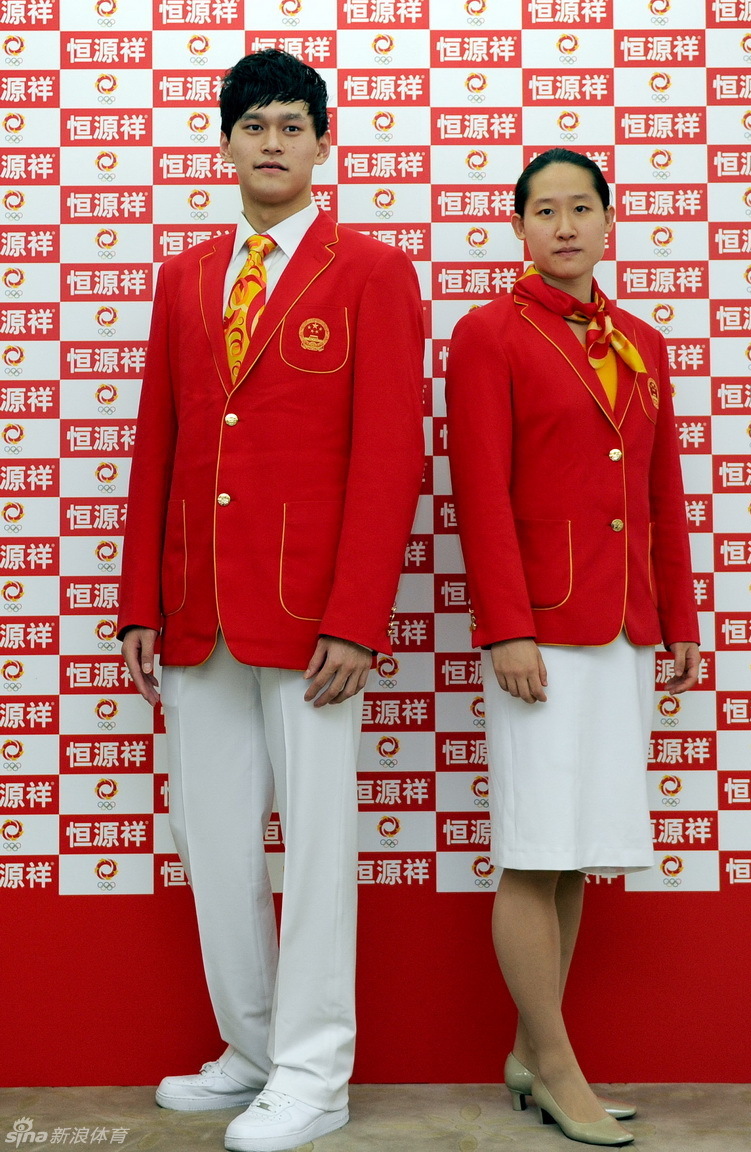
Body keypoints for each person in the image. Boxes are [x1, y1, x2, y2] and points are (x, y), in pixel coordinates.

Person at [118, 49, 424, 1152]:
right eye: (254, 125)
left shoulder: (372, 272)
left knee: (319, 850)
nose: (273, 143)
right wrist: (138, 603)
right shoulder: (187, 276)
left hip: (311, 620)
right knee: (218, 848)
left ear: (321, 142)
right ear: (227, 142)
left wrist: (354, 615)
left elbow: (389, 458)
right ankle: (249, 1052)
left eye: (293, 125)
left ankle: (312, 1073)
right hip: (196, 606)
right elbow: (161, 443)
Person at [445, 148, 700, 1148]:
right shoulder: (486, 336)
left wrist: (676, 621)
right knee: (531, 847)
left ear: (606, 221)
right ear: (517, 227)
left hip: (622, 633)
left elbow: (657, 498)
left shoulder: (638, 342)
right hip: (538, 636)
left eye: (578, 209)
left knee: (573, 854)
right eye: (542, 211)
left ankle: (525, 1046)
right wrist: (506, 626)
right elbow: (479, 494)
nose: (562, 226)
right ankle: (554, 1066)